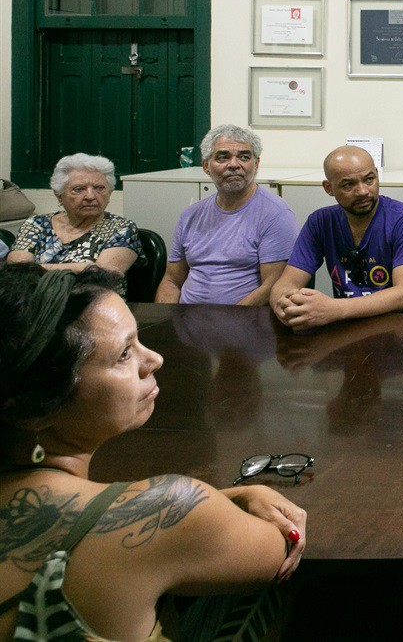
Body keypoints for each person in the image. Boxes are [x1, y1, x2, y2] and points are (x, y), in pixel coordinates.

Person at [0, 263, 307, 640]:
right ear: (38, 408)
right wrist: (234, 498)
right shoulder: (171, 508)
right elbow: (278, 547)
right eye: (124, 354)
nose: (155, 359)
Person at [271, 146, 403, 329]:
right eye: (348, 185)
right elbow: (287, 282)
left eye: (369, 179)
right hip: (353, 325)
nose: (362, 191)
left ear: (377, 175)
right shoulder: (320, 222)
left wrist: (332, 309)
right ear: (329, 188)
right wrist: (284, 303)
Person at [155, 124, 298, 306]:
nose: (234, 165)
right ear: (206, 166)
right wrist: (167, 320)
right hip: (187, 323)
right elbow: (172, 281)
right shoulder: (190, 216)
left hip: (242, 323)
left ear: (256, 164)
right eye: (223, 157)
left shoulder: (275, 214)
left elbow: (273, 286)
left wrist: (225, 322)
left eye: (244, 157)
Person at [7, 154, 139, 297]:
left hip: (93, 307)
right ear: (59, 195)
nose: (90, 196)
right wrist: (83, 268)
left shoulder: (121, 228)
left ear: (109, 193)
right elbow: (17, 270)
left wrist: (37, 269)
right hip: (36, 307)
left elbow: (104, 275)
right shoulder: (37, 224)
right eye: (79, 189)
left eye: (99, 188)